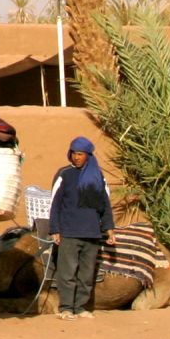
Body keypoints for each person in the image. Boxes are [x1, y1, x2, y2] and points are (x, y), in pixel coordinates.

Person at [49, 135, 115, 320]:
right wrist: (55, 229)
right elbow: (55, 203)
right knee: (67, 273)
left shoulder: (97, 176)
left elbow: (105, 204)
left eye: (80, 154)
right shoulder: (64, 175)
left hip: (92, 233)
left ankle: (80, 307)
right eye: (74, 154)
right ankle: (66, 308)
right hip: (69, 232)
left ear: (88, 155)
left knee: (86, 275)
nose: (76, 157)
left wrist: (109, 228)